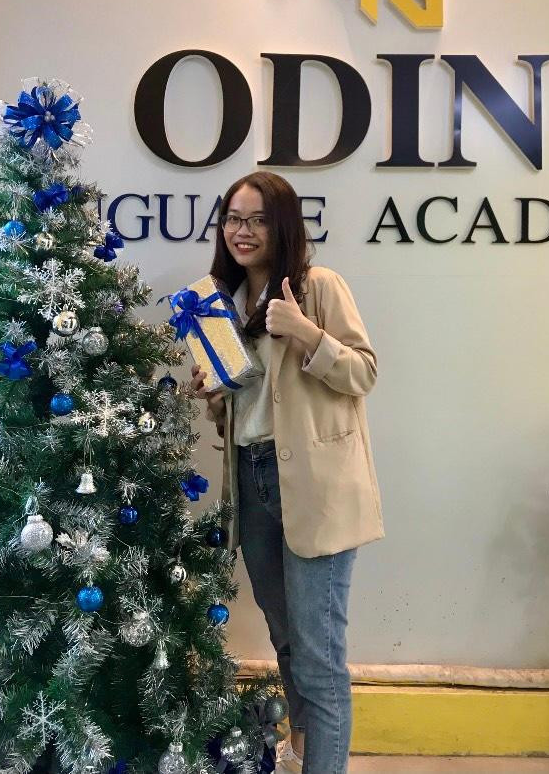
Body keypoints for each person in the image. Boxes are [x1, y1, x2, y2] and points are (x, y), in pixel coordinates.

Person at [190, 171, 384, 774]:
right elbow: (249, 411)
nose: (242, 231)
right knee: (288, 643)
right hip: (252, 483)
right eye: (233, 218)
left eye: (257, 220)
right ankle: (303, 754)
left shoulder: (317, 287)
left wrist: (304, 331)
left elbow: (363, 373)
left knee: (319, 658)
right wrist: (214, 398)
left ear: (282, 226)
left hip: (316, 489)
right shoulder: (221, 304)